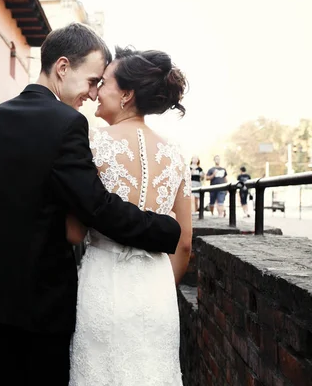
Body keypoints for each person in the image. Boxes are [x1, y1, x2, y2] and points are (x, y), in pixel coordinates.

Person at [0, 24, 181, 386]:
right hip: (40, 302)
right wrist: (163, 228)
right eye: (93, 80)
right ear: (62, 68)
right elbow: (98, 207)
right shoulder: (67, 124)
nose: (94, 94)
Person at [68, 46, 192, 385]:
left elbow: (75, 232)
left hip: (103, 286)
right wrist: (162, 286)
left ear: (126, 94)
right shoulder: (176, 155)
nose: (95, 92)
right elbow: (183, 245)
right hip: (157, 291)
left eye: (103, 82)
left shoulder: (93, 146)